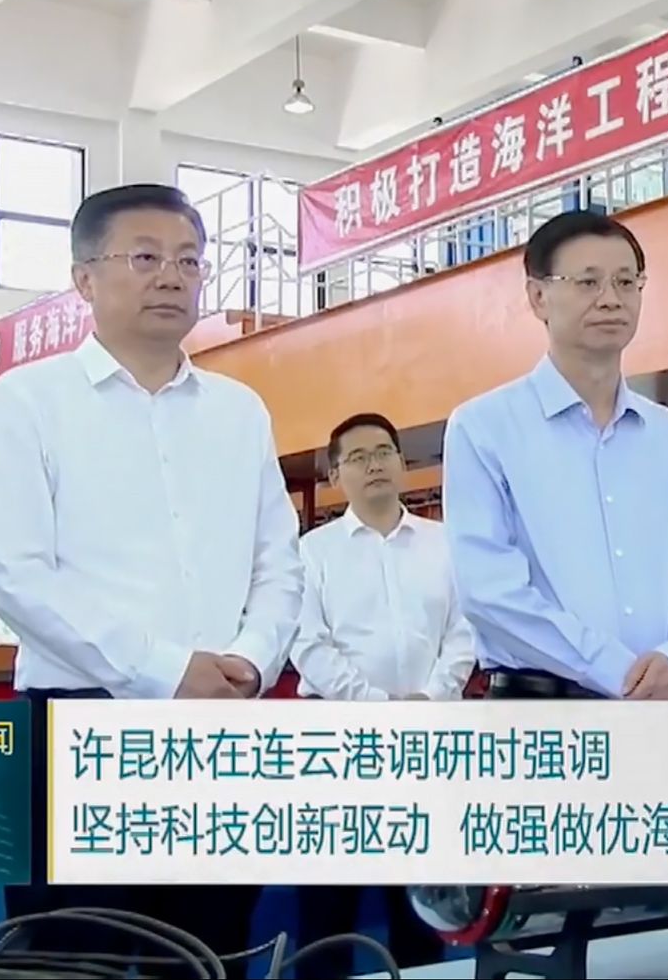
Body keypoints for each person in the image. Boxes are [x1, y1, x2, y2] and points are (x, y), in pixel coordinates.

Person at [0, 183, 302, 964]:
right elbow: (14, 573)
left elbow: (280, 564)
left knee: (210, 951)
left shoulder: (240, 411)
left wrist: (250, 660)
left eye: (189, 260)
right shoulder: (29, 401)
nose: (172, 277)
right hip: (80, 729)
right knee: (71, 957)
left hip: (221, 727)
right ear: (84, 279)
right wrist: (166, 669)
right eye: (145, 257)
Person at [440, 210, 668, 700]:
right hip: (540, 710)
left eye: (626, 282)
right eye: (588, 282)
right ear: (538, 297)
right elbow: (488, 591)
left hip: (664, 702)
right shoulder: (483, 428)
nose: (611, 299)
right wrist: (616, 670)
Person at [291, 411, 466, 972]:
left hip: (428, 739)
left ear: (402, 462)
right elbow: (308, 644)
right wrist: (378, 709)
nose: (374, 466)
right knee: (329, 904)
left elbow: (465, 631)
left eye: (384, 452)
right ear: (335, 474)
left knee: (421, 902)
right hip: (337, 743)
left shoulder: (445, 544)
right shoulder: (311, 552)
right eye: (358, 458)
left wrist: (431, 699)